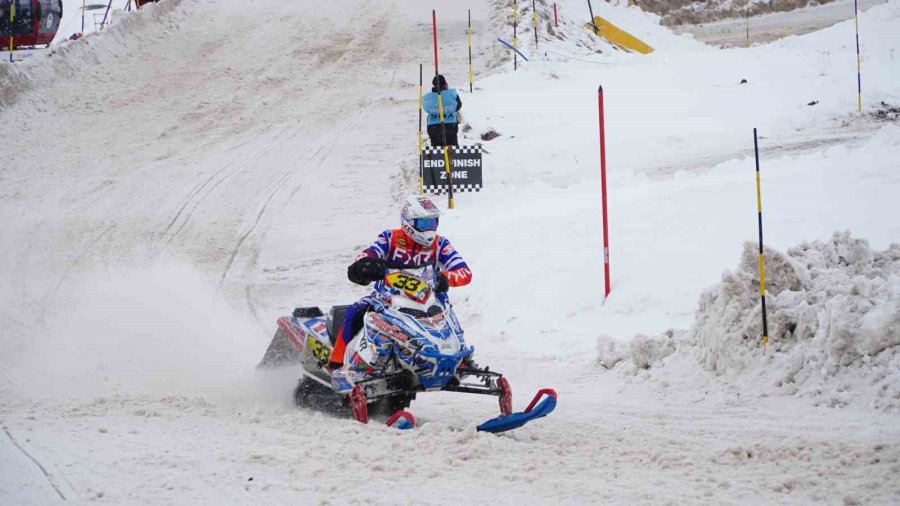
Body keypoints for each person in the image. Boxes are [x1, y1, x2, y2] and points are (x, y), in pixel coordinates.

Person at [328, 195, 472, 370]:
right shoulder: (390, 238)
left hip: (426, 298)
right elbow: (367, 254)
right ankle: (336, 363)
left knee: (446, 309)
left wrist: (445, 278)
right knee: (355, 311)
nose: (430, 229)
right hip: (387, 297)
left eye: (433, 223)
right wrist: (368, 265)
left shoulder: (440, 244)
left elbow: (464, 271)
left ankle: (459, 354)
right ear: (408, 221)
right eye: (424, 224)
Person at [422, 74, 462, 147]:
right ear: (445, 84)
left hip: (433, 126)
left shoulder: (427, 98)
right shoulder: (452, 94)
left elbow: (426, 109)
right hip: (450, 126)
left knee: (437, 151)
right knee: (452, 149)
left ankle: (438, 158)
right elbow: (458, 106)